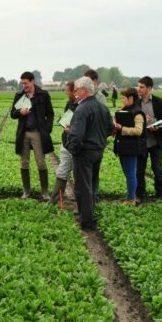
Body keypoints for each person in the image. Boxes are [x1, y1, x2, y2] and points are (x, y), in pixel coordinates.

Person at [65, 77, 113, 230]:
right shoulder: (102, 107)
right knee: (92, 183)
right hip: (98, 150)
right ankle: (89, 214)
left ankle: (86, 221)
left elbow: (77, 136)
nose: (75, 92)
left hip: (84, 152)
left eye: (77, 89)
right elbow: (110, 129)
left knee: (83, 186)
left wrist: (73, 148)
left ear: (84, 90)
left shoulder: (82, 108)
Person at [10, 71, 54, 200]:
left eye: (26, 83)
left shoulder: (43, 95)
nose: (24, 86)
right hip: (23, 133)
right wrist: (20, 112)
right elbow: (13, 114)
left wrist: (47, 128)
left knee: (41, 162)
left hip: (37, 133)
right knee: (24, 162)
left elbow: (50, 113)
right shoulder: (19, 95)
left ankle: (45, 192)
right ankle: (26, 191)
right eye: (22, 83)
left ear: (32, 81)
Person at [136, 76, 162, 201]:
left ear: (149, 88)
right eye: (138, 86)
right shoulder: (136, 103)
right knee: (139, 170)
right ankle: (139, 194)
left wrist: (156, 125)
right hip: (141, 141)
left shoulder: (160, 102)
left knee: (157, 169)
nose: (139, 89)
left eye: (142, 87)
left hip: (155, 141)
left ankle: (161, 194)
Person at [112, 88, 146, 205]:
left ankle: (131, 199)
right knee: (128, 173)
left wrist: (121, 128)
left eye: (124, 98)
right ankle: (130, 196)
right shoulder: (124, 110)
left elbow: (138, 131)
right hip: (122, 146)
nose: (122, 100)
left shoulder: (138, 113)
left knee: (131, 173)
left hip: (131, 148)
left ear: (131, 98)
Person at [83, 69, 109, 201]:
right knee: (84, 172)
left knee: (94, 170)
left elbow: (105, 118)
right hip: (84, 139)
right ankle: (87, 196)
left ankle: (94, 194)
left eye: (88, 80)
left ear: (95, 81)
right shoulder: (82, 96)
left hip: (97, 139)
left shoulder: (100, 97)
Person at [50, 81, 77, 205]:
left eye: (67, 90)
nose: (66, 92)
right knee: (62, 170)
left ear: (74, 91)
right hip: (66, 142)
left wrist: (71, 129)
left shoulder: (82, 106)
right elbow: (67, 119)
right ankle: (54, 200)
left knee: (79, 173)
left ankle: (80, 202)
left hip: (76, 144)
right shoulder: (69, 104)